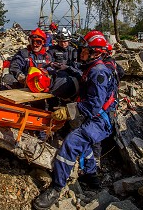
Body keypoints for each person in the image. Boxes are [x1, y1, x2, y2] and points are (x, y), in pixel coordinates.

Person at [33, 31, 117, 210]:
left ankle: (56, 188)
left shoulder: (98, 72)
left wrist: (68, 110)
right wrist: (66, 68)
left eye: (84, 50)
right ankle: (91, 176)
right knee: (84, 144)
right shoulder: (93, 67)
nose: (80, 52)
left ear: (95, 52)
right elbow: (82, 75)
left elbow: (94, 105)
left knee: (72, 142)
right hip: (96, 116)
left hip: (100, 120)